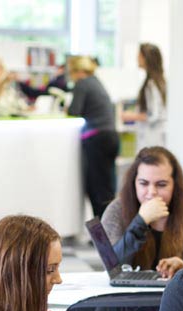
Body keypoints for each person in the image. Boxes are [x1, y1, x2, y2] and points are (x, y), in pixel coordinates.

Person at [101, 146, 183, 278]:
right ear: (133, 182)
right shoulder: (116, 210)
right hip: (129, 294)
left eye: (161, 184)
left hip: (180, 294)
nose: (151, 192)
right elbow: (111, 266)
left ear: (175, 184)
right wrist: (140, 222)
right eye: (143, 183)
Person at [67, 55, 120, 218]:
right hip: (110, 137)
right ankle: (110, 230)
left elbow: (74, 112)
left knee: (97, 189)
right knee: (107, 187)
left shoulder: (82, 84)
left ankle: (103, 234)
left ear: (77, 71)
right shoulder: (96, 81)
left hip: (96, 139)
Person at [121, 43, 167, 150]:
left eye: (139, 55)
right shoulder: (157, 81)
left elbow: (154, 115)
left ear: (146, 58)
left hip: (152, 138)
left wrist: (132, 116)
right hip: (152, 137)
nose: (137, 58)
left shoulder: (152, 84)